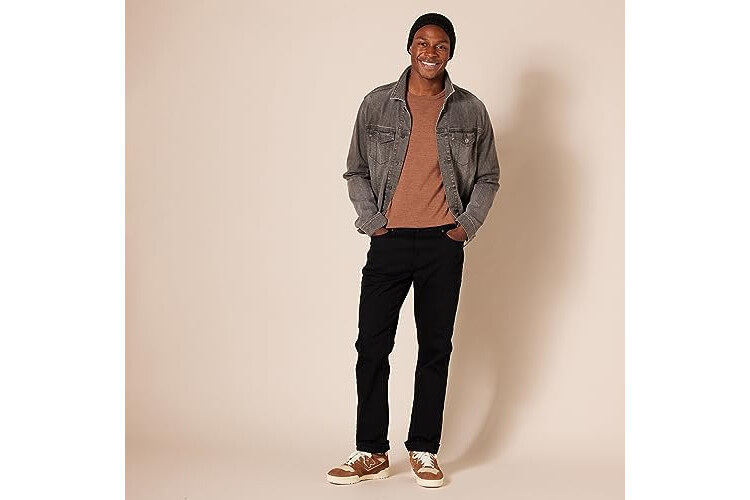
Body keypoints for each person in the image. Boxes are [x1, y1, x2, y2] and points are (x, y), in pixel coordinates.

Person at [326, 12, 501, 488]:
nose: (430, 52)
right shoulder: (377, 104)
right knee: (372, 345)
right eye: (422, 43)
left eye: (440, 45)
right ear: (409, 48)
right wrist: (373, 222)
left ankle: (424, 448)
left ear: (451, 52)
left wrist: (465, 227)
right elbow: (356, 169)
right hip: (389, 243)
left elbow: (488, 176)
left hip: (443, 243)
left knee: (435, 348)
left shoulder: (470, 110)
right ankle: (371, 451)